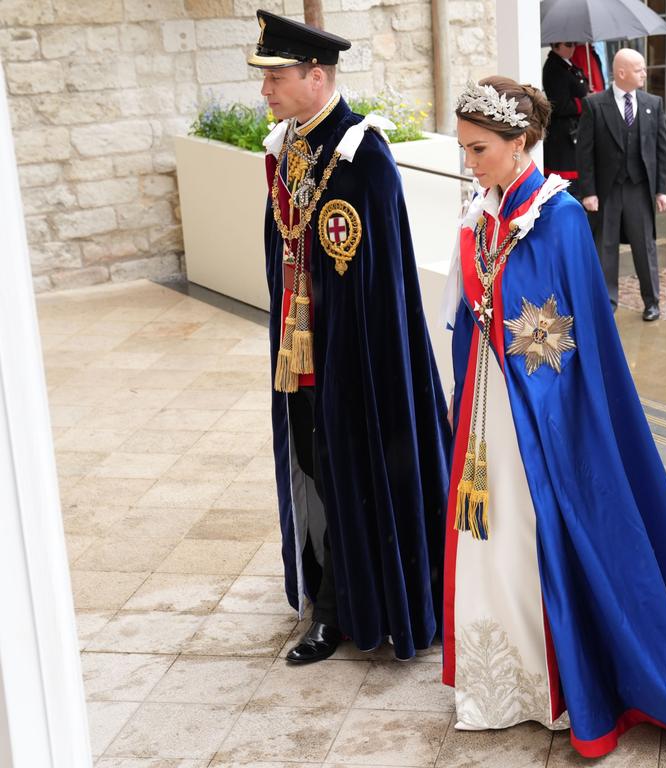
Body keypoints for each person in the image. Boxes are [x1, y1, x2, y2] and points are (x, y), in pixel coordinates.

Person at [442, 77, 666, 758]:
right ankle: (506, 678)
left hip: (544, 418)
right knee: (492, 535)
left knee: (538, 535)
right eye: (466, 148)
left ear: (519, 142)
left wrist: (535, 400)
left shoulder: (556, 219)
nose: (469, 161)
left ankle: (565, 679)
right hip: (490, 406)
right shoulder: (483, 213)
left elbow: (570, 343)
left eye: (479, 148)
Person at [249, 10, 451, 664]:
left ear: (316, 74)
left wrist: (345, 360)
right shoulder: (289, 146)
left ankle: (339, 612)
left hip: (355, 360)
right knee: (314, 469)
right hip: (301, 353)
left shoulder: (360, 156)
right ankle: (328, 589)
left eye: (276, 77)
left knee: (345, 473)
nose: (265, 90)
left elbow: (380, 283)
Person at [576, 48, 666, 321]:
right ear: (621, 73)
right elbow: (585, 152)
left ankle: (652, 301)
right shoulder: (595, 104)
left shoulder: (653, 103)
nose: (644, 73)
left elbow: (661, 150)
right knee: (605, 246)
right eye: (639, 69)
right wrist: (589, 192)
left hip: (639, 188)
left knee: (645, 246)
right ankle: (607, 301)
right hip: (606, 191)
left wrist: (661, 189)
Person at [542, 42, 589, 181]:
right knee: (568, 183)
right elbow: (560, 105)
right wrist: (586, 102)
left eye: (574, 44)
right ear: (556, 45)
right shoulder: (554, 67)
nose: (573, 48)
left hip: (574, 129)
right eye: (569, 44)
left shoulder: (568, 64)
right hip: (563, 134)